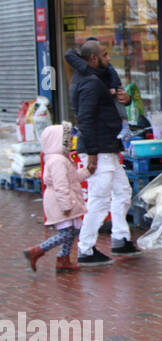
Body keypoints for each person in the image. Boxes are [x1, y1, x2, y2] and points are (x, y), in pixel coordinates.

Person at [65, 40, 140, 266]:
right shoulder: (88, 82)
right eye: (105, 55)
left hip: (108, 147)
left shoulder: (97, 78)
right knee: (99, 199)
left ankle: (120, 238)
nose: (109, 59)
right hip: (99, 149)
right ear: (93, 58)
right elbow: (85, 119)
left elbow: (108, 105)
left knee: (122, 191)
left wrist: (124, 100)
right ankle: (86, 249)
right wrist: (93, 154)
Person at [24, 122, 91, 273]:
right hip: (61, 201)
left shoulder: (61, 158)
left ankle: (64, 259)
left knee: (72, 230)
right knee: (67, 232)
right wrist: (66, 205)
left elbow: (72, 178)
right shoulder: (57, 161)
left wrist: (88, 171)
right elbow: (61, 185)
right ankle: (36, 251)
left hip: (66, 199)